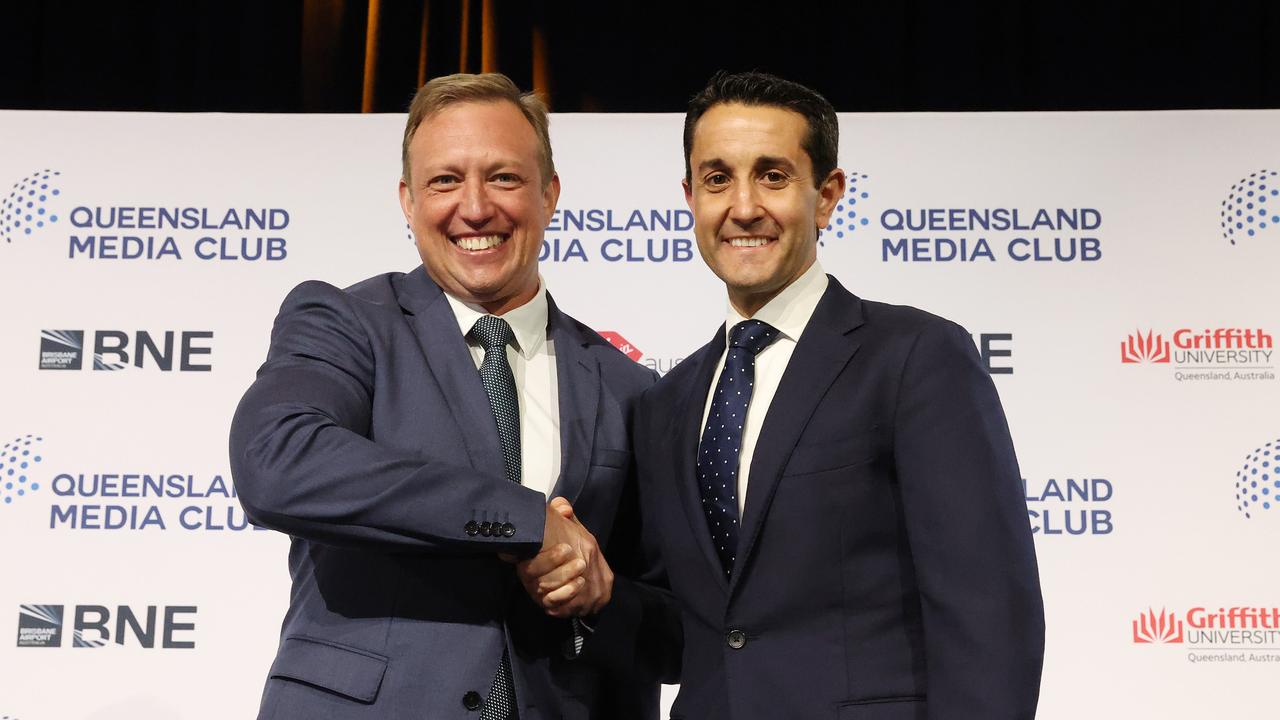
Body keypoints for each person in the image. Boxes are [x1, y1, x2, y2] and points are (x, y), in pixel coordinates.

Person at [229, 72, 678, 720]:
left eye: (503, 178)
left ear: (549, 195)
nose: (475, 207)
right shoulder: (345, 323)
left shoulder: (629, 386)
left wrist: (602, 598)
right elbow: (276, 459)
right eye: (445, 181)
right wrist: (529, 525)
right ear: (407, 200)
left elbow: (674, 632)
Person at [631, 71, 1045, 719]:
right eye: (717, 179)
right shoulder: (668, 402)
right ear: (689, 197)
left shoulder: (916, 358)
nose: (743, 206)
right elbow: (681, 628)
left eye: (772, 175)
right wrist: (584, 589)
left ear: (826, 197)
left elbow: (987, 613)